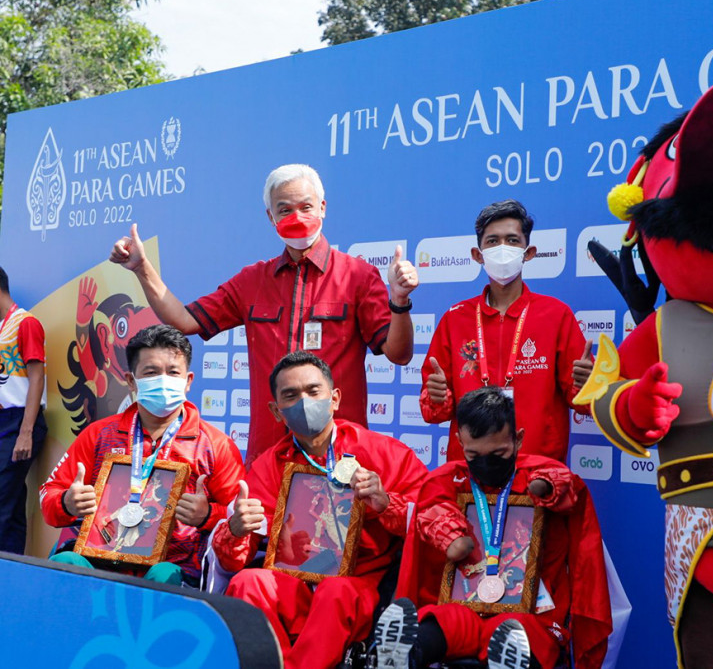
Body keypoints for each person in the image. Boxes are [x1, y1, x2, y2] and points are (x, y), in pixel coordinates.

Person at [109, 163, 419, 465]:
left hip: (340, 453)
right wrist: (141, 268)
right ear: (270, 216)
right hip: (270, 455)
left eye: (306, 207)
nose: (296, 217)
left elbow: (399, 353)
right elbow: (185, 320)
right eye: (284, 210)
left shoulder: (357, 276)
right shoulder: (252, 281)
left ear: (322, 208)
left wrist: (400, 301)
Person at [212, 351, 428, 669]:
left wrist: (386, 503)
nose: (304, 402)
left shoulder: (384, 453)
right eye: (291, 395)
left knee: (335, 591)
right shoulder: (268, 466)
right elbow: (237, 558)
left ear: (335, 398)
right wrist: (235, 530)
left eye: (313, 392)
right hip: (291, 584)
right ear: (275, 411)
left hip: (358, 586)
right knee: (248, 582)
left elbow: (432, 520)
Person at [378, 387, 612, 669]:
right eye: (474, 454)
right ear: (458, 442)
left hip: (530, 611)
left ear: (519, 439)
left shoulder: (537, 474)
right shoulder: (446, 480)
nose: (486, 462)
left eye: (499, 452)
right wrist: (451, 535)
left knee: (516, 631)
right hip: (463, 602)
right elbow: (433, 510)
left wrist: (544, 489)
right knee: (446, 621)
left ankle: (505, 660)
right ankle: (405, 652)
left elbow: (565, 489)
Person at [40, 324, 245, 586]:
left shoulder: (215, 445)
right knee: (65, 564)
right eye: (151, 372)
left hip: (173, 569)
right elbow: (50, 493)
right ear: (131, 381)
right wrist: (67, 502)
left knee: (163, 578)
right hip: (99, 558)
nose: (163, 380)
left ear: (188, 381)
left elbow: (236, 521)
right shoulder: (99, 434)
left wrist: (207, 515)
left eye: (173, 372)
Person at [420, 200, 592, 463]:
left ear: (529, 252)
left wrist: (589, 384)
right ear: (478, 255)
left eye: (512, 240)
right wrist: (436, 397)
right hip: (469, 473)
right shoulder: (455, 319)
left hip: (538, 473)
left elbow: (584, 403)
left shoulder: (557, 315)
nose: (503, 248)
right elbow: (434, 413)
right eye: (492, 241)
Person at [0, 266, 48, 554]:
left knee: (3, 501)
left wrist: (25, 432)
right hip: (4, 419)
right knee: (12, 502)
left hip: (20, 420)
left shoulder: (25, 322)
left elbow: (37, 376)